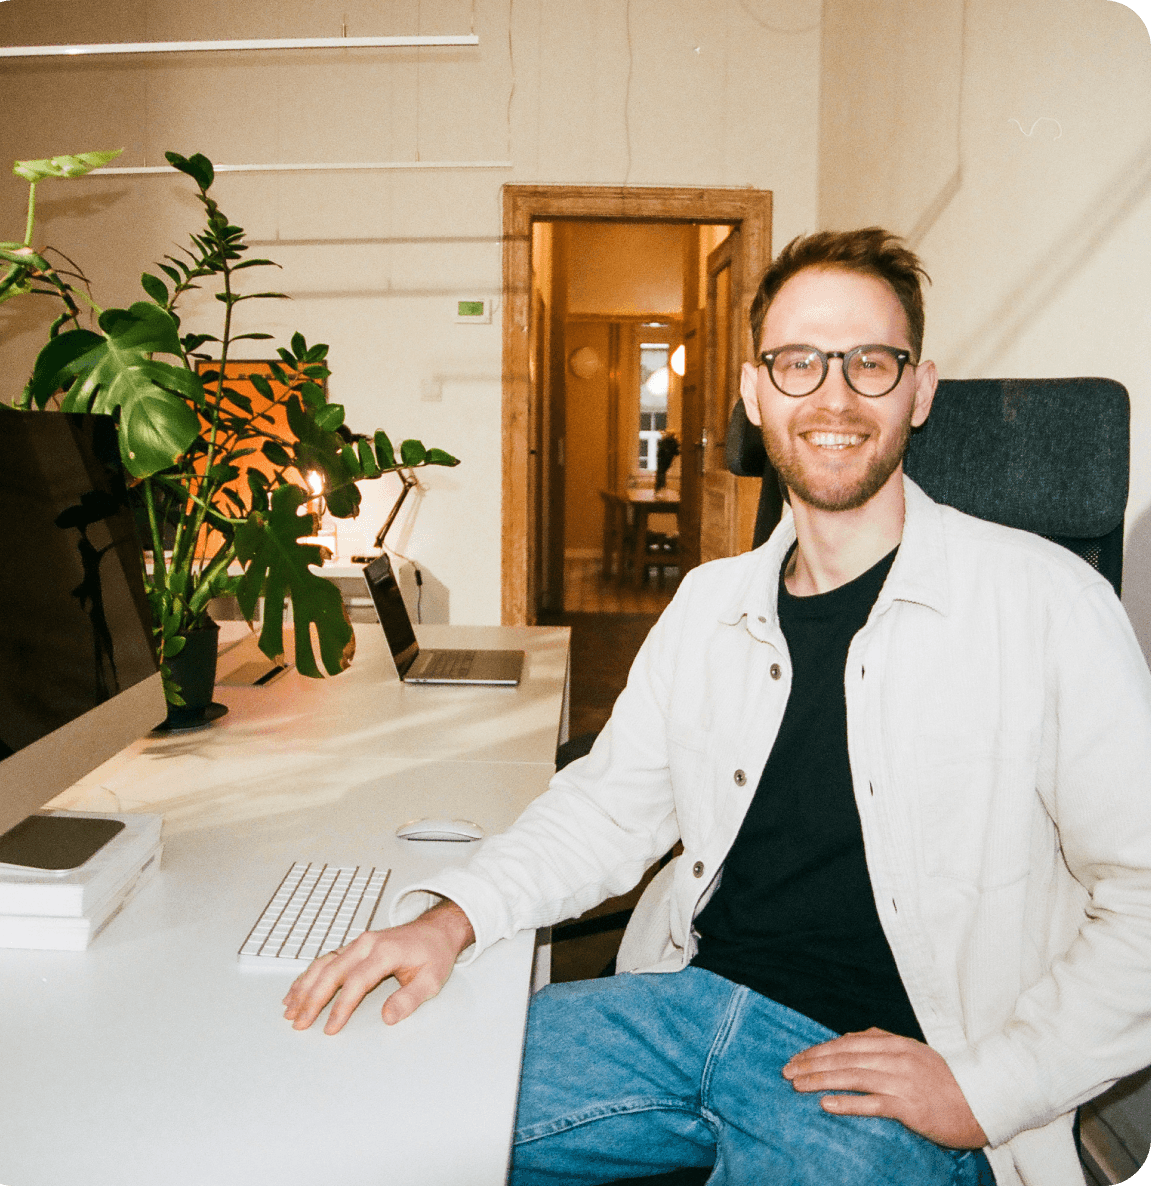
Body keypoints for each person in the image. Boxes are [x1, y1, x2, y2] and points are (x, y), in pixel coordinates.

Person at [282, 229, 1151, 1186]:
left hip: (886, 1074)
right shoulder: (709, 603)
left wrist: (986, 1088)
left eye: (871, 362)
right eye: (797, 362)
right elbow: (608, 807)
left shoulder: (1047, 604)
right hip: (682, 1005)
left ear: (921, 389)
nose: (833, 396)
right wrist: (450, 917)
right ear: (753, 393)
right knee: (354, 1112)